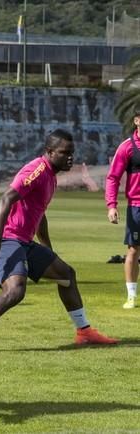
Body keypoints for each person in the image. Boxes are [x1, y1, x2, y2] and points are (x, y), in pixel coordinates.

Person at [0, 129, 117, 354]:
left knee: (66, 275)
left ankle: (84, 332)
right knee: (15, 291)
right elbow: (6, 198)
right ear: (49, 152)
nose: (70, 157)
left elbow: (39, 214)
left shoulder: (50, 176)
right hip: (8, 238)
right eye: (65, 152)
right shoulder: (38, 169)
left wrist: (47, 249)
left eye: (72, 152)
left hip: (24, 242)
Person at [105, 108, 140, 309]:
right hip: (137, 206)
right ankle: (131, 296)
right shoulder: (127, 147)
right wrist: (112, 205)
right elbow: (113, 178)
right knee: (134, 250)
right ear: (137, 121)